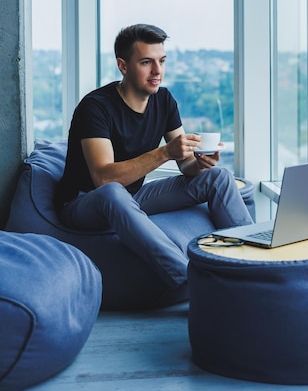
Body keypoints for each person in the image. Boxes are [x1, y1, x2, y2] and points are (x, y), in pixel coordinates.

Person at [55, 23, 253, 298]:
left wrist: (200, 163)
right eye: (146, 62)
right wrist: (164, 152)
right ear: (123, 66)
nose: (157, 71)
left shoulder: (164, 100)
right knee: (112, 191)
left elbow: (185, 165)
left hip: (133, 196)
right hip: (84, 202)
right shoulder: (95, 107)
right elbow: (103, 178)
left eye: (161, 61)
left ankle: (254, 264)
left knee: (218, 178)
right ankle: (191, 283)